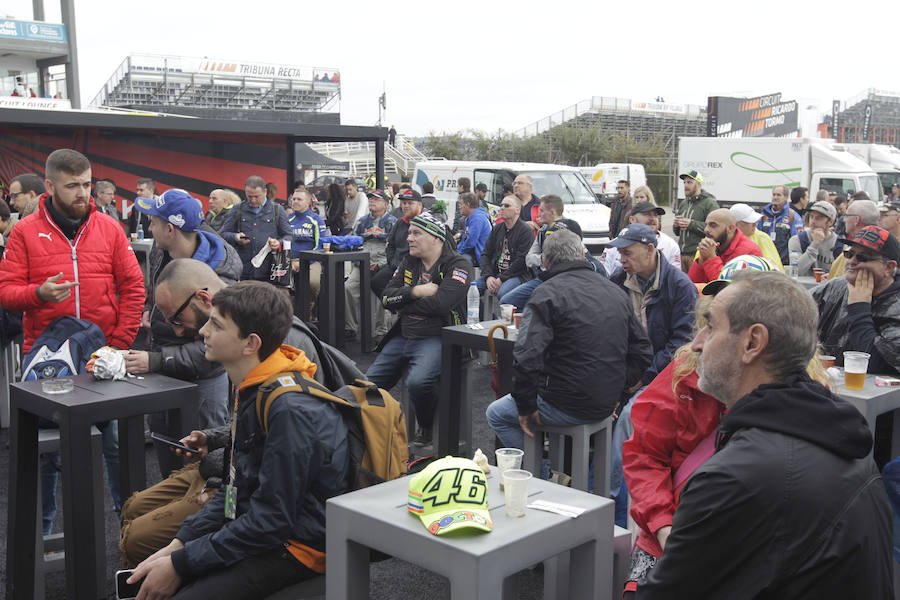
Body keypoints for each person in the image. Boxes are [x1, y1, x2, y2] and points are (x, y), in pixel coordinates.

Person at [637, 270, 893, 598]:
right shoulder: (845, 444)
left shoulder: (735, 478)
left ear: (752, 343)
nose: (698, 342)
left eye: (711, 325)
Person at [125, 280, 350, 599]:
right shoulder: (253, 385)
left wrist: (181, 564)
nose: (203, 332)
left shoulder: (288, 409)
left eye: (216, 324)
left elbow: (272, 521)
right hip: (268, 528)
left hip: (301, 548)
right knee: (159, 558)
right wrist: (179, 546)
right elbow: (235, 488)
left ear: (250, 344)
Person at [0, 148, 144, 534]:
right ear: (49, 186)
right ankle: (40, 536)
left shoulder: (110, 228)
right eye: (73, 186)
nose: (83, 193)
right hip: (47, 355)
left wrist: (118, 343)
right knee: (47, 453)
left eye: (87, 184)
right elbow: (6, 290)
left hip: (102, 353)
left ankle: (128, 530)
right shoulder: (26, 232)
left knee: (113, 444)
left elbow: (133, 287)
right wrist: (38, 294)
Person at [485, 230, 652, 451]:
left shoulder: (545, 294)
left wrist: (525, 406)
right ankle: (553, 470)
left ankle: (539, 477)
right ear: (583, 256)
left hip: (563, 402)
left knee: (496, 414)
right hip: (606, 401)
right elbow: (642, 351)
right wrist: (617, 391)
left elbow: (526, 358)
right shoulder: (615, 291)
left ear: (545, 262)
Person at [124, 188, 241, 474]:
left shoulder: (218, 273)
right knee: (169, 460)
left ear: (170, 229)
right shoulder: (161, 250)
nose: (149, 227)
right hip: (163, 369)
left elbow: (219, 347)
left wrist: (155, 360)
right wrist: (154, 313)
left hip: (201, 380)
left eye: (153, 221)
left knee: (205, 467)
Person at [606, 223, 698, 525]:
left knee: (629, 421)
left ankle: (613, 508)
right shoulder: (619, 280)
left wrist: (643, 376)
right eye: (620, 254)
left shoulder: (679, 287)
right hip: (625, 368)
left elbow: (680, 345)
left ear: (650, 250)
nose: (622, 260)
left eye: (628, 253)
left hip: (662, 375)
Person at [365, 212, 472, 445]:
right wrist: (415, 292)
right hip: (404, 334)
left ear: (436, 238)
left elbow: (442, 304)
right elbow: (385, 297)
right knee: (366, 385)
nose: (409, 238)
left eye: (416, 233)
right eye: (410, 232)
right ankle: (376, 433)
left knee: (418, 382)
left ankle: (425, 423)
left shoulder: (458, 264)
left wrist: (403, 302)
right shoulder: (409, 261)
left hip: (437, 336)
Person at [812, 225, 900, 376]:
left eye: (863, 257)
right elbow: (794, 312)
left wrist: (859, 308)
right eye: (850, 254)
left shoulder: (896, 304)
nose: (852, 261)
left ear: (888, 267)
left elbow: (879, 365)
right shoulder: (836, 287)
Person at [500, 195, 585, 309]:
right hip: (542, 278)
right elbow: (528, 259)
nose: (538, 214)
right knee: (507, 301)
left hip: (565, 280)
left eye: (541, 210)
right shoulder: (542, 231)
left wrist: (546, 259)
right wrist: (543, 259)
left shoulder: (571, 228)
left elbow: (580, 256)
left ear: (552, 212)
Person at [345, 190, 397, 340]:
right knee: (347, 287)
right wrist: (359, 261)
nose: (372, 201)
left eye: (377, 199)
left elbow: (394, 251)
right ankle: (350, 328)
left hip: (383, 263)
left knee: (385, 290)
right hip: (362, 262)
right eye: (371, 199)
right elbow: (353, 244)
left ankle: (381, 330)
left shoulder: (393, 222)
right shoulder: (361, 222)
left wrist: (380, 264)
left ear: (386, 205)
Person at [221, 175, 292, 281]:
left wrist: (279, 243)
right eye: (249, 196)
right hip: (244, 269)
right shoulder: (238, 209)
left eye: (257, 196)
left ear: (265, 192)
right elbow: (223, 234)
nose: (253, 200)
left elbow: (289, 235)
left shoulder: (277, 210)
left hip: (270, 269)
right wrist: (235, 237)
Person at [477, 194, 533, 302]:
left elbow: (521, 261)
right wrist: (488, 276)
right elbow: (485, 254)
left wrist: (501, 279)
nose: (502, 208)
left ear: (517, 210)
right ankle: (481, 317)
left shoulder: (526, 231)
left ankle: (503, 318)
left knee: (502, 292)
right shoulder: (497, 228)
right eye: (501, 205)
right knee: (471, 289)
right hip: (495, 273)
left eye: (507, 205)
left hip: (517, 275)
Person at [601, 201, 681, 275]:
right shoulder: (614, 245)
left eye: (655, 215)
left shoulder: (670, 245)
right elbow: (604, 275)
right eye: (647, 214)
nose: (652, 219)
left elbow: (675, 277)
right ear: (632, 220)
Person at [371, 188, 422, 298]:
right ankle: (396, 307)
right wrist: (392, 262)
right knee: (376, 282)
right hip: (395, 265)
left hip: (415, 268)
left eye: (410, 203)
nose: (406, 206)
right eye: (403, 203)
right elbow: (390, 245)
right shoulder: (400, 222)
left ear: (419, 205)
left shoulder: (424, 223)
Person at [688, 209, 762, 284]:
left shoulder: (750, 252)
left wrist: (711, 258)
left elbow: (726, 288)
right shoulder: (712, 245)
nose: (706, 230)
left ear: (730, 228)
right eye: (706, 225)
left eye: (713, 225)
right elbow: (692, 284)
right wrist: (702, 259)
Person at [287, 188, 326, 307]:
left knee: (312, 283)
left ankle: (309, 308)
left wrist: (304, 261)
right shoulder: (287, 219)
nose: (295, 202)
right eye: (294, 199)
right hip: (289, 260)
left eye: (299, 199)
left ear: (307, 202)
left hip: (311, 260)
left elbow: (320, 244)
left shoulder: (316, 220)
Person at [672, 170, 717, 273]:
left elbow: (714, 230)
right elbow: (677, 232)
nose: (686, 185)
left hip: (697, 255)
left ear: (698, 184)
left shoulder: (709, 203)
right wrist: (676, 225)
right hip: (681, 255)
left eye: (689, 182)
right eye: (684, 182)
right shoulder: (684, 203)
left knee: (695, 286)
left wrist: (691, 224)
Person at [827, 199, 879, 279]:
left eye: (847, 216)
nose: (844, 220)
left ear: (856, 220)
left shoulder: (848, 254)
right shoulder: (882, 250)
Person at [788, 200, 839, 276]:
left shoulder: (839, 245)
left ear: (831, 222)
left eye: (819, 218)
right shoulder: (797, 240)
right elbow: (796, 272)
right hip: (803, 287)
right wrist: (815, 244)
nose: (813, 221)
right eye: (811, 216)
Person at [728, 203, 784, 272]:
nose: (755, 224)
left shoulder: (762, 237)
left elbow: (774, 267)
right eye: (750, 221)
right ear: (736, 224)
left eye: (755, 220)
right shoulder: (724, 238)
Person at [757, 184, 803, 264]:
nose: (775, 197)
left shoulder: (792, 216)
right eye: (774, 195)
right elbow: (757, 236)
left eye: (779, 195)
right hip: (765, 261)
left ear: (786, 197)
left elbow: (797, 240)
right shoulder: (764, 215)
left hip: (783, 262)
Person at [455, 192, 491, 265]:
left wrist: (457, 254)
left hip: (481, 256)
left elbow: (470, 242)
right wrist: (456, 250)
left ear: (467, 204)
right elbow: (464, 240)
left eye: (461, 204)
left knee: (460, 261)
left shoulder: (477, 218)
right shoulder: (471, 218)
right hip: (475, 253)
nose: (459, 207)